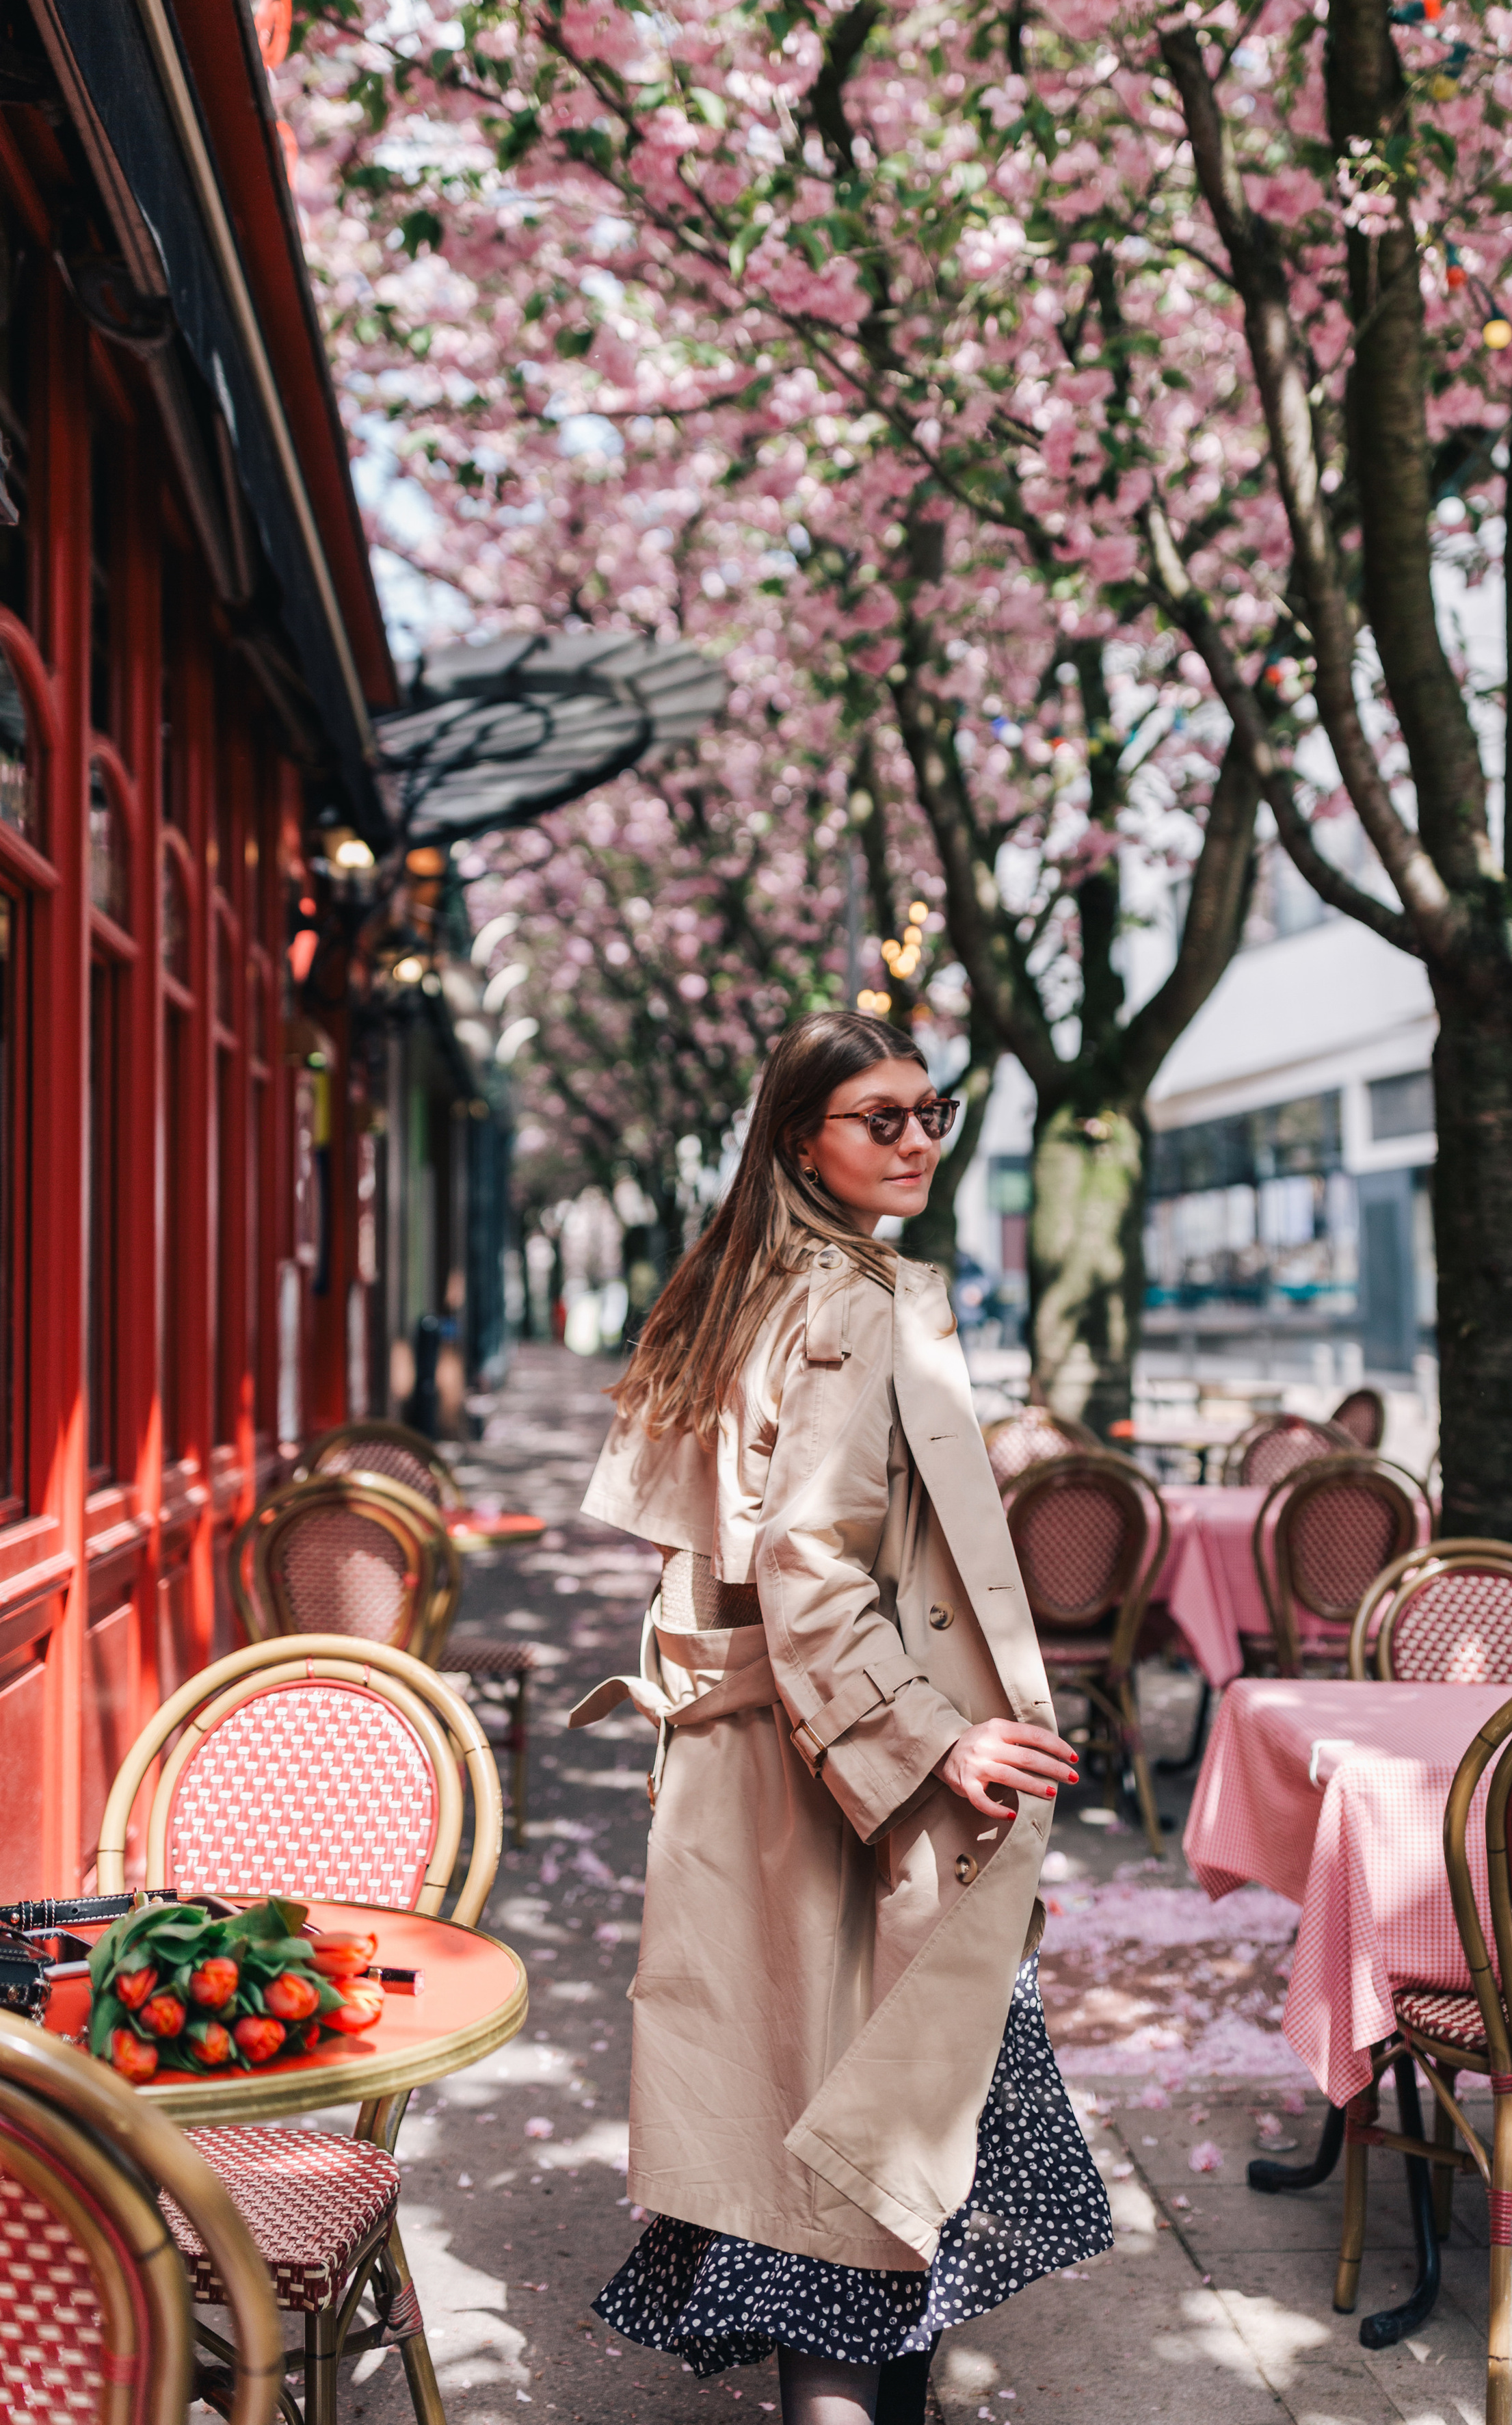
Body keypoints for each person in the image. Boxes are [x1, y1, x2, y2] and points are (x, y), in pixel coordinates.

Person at [574, 1010, 1111, 2425]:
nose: (918, 1140)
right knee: (865, 2170)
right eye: (882, 1118)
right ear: (801, 1143)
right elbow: (809, 1566)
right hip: (843, 1796)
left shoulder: (746, 1288)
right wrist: (939, 1738)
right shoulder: (850, 1306)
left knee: (823, 2167)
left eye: (932, 1112)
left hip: (762, 1776)